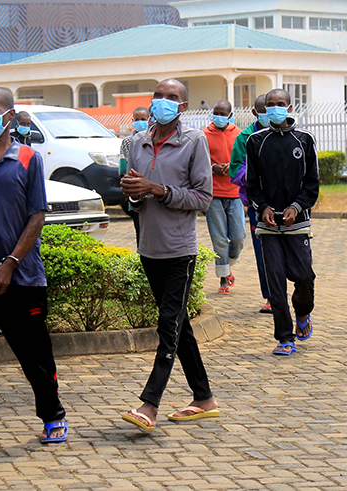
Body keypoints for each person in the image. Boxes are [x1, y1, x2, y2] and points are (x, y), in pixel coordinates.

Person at [0, 87, 68, 454]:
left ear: (9, 115)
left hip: (22, 279)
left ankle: (52, 414)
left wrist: (10, 263)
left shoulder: (28, 159)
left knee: (33, 352)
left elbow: (37, 216)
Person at [120, 78, 218, 431]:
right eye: (158, 96)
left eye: (172, 97)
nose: (163, 102)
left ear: (183, 106)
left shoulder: (194, 142)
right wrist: (133, 194)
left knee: (168, 325)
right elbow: (132, 198)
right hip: (149, 247)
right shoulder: (137, 143)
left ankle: (149, 404)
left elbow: (203, 198)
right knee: (180, 326)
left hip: (180, 252)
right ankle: (204, 397)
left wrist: (157, 189)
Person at [245, 88, 319, 357]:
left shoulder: (304, 140)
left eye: (280, 104)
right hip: (268, 226)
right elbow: (251, 185)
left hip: (297, 224)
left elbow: (312, 184)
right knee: (275, 283)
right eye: (270, 105)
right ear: (264, 109)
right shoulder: (255, 142)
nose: (275, 109)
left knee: (304, 277)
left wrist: (296, 207)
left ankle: (303, 312)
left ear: (289, 107)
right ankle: (285, 338)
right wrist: (262, 208)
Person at [230, 95, 273, 313]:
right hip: (257, 205)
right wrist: (254, 177)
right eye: (264, 110)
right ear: (255, 113)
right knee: (263, 250)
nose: (269, 113)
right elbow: (235, 169)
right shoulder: (245, 138)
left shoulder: (293, 135)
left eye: (273, 108)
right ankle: (271, 296)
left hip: (287, 204)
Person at [203, 99, 244, 294]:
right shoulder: (203, 136)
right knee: (219, 239)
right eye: (215, 113)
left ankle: (227, 266)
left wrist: (232, 167)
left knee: (238, 237)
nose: (218, 117)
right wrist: (213, 168)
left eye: (223, 114)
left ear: (230, 116)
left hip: (234, 193)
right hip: (212, 194)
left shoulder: (239, 135)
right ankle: (223, 279)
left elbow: (245, 161)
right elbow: (197, 163)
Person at [118, 106, 150, 244]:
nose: (140, 122)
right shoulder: (127, 142)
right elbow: (123, 169)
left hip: (154, 191)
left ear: (149, 120)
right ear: (132, 121)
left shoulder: (154, 139)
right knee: (140, 231)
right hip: (136, 193)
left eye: (143, 119)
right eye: (137, 120)